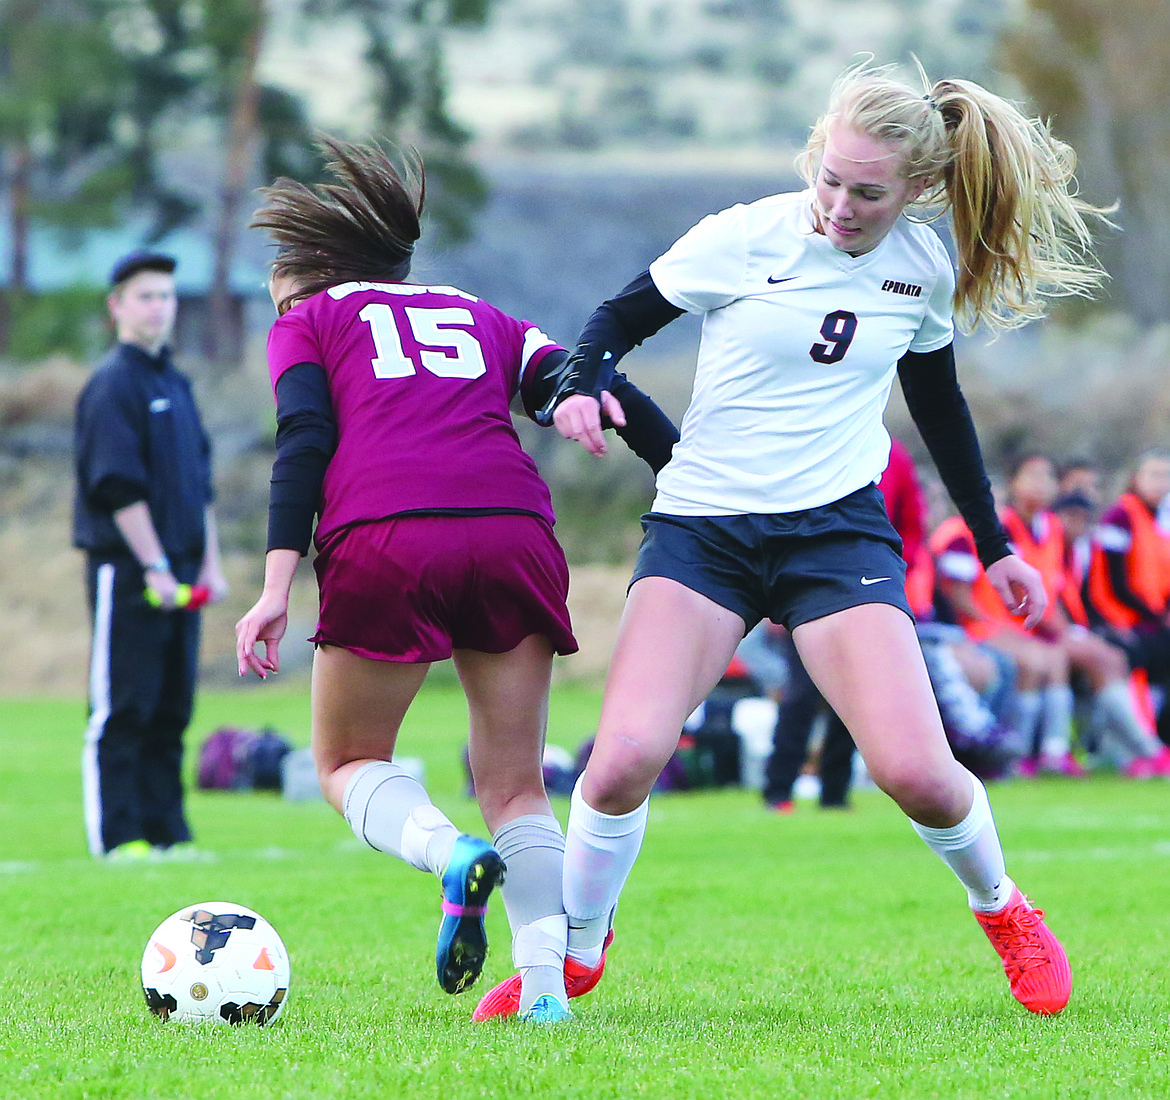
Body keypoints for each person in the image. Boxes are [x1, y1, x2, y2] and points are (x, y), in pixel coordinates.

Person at [477, 60, 1115, 1021]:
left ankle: (1005, 906)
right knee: (619, 762)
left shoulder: (923, 269)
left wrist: (995, 547)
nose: (842, 206)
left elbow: (940, 414)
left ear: (917, 191)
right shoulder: (743, 237)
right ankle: (575, 950)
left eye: (869, 192)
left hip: (834, 534)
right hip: (704, 532)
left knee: (916, 775)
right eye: (831, 179)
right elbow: (613, 323)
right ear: (814, 155)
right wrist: (573, 386)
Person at [234, 138, 676, 1024]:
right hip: (513, 531)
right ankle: (546, 994)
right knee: (516, 783)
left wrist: (277, 583)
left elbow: (305, 443)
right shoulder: (480, 313)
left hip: (388, 535)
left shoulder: (310, 322)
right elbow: (580, 381)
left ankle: (448, 856)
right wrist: (673, 461)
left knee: (349, 760)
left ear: (317, 267)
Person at [73, 249, 229, 861]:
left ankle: (169, 835)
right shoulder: (113, 384)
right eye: (146, 296)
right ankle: (119, 839)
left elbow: (200, 485)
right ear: (117, 305)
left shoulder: (176, 382)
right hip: (130, 571)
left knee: (173, 707)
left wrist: (209, 564)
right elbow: (117, 487)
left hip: (186, 571)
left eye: (167, 296)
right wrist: (157, 567)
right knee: (124, 707)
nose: (159, 307)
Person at [997, 453, 1166, 775]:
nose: (1041, 484)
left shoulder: (1050, 527)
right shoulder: (1003, 526)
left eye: (1046, 477)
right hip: (1011, 626)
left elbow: (1056, 588)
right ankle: (1031, 754)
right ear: (1013, 483)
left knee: (1110, 658)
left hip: (1046, 626)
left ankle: (1132, 751)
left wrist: (1070, 629)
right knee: (1055, 660)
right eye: (1032, 476)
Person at [1086, 448, 1170, 749]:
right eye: (1154, 475)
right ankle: (1135, 744)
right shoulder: (1119, 516)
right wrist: (1158, 617)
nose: (1161, 483)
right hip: (1120, 617)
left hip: (1147, 618)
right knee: (1141, 655)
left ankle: (1156, 738)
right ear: (1136, 478)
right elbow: (1115, 581)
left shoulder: (1157, 521)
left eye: (1166, 476)